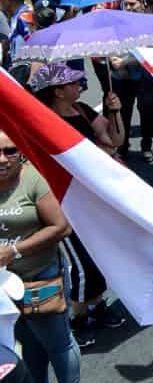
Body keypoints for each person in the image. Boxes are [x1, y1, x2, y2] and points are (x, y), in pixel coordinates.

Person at [30, 64, 126, 348]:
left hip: (95, 196)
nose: (80, 85)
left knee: (99, 253)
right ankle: (78, 317)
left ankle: (97, 306)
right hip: (66, 199)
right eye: (73, 83)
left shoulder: (83, 109)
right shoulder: (44, 121)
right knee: (81, 264)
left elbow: (115, 141)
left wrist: (115, 110)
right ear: (57, 91)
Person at [0, 130, 80, 383]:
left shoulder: (33, 180)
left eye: (10, 151)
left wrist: (13, 251)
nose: (2, 159)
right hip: (5, 286)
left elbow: (61, 227)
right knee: (27, 343)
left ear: (20, 152)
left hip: (40, 278)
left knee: (58, 344)